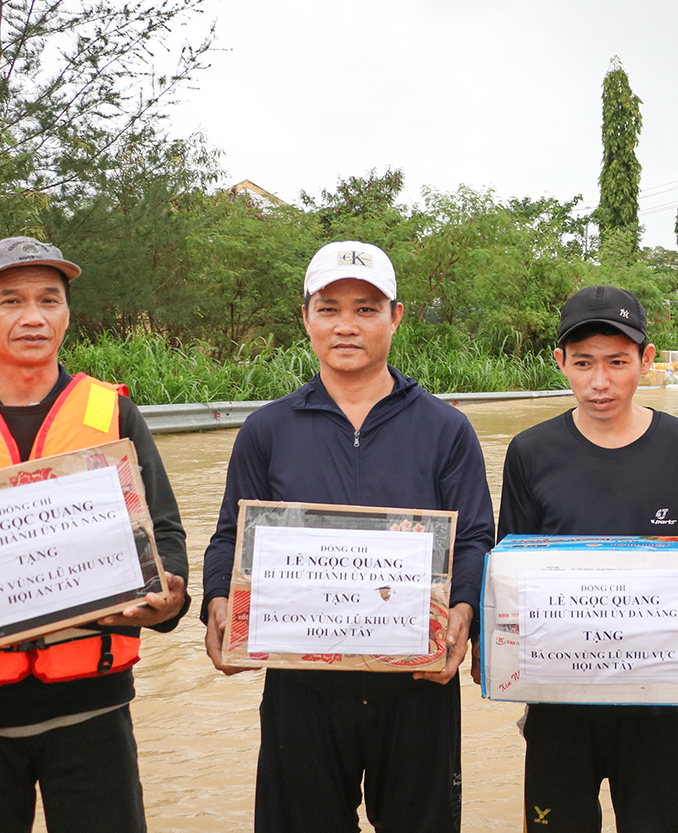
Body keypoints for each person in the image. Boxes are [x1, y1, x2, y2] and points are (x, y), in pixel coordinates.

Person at [201, 240, 494, 833]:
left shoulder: (445, 428)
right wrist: (219, 602)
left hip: (416, 683)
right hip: (301, 685)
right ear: (306, 317)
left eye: (366, 309)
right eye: (329, 308)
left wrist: (463, 611)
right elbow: (231, 536)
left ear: (396, 316)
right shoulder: (267, 430)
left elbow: (473, 538)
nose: (346, 325)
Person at [497, 284, 678, 832]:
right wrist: (504, 662)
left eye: (617, 362)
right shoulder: (530, 453)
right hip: (559, 705)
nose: (600, 381)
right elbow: (509, 577)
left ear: (646, 360)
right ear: (560, 362)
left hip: (658, 702)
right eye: (583, 363)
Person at [0, 236, 189, 833]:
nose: (33, 317)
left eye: (50, 299)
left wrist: (170, 596)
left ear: (67, 313)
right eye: (11, 300)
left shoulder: (110, 412)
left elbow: (164, 530)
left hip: (93, 709)